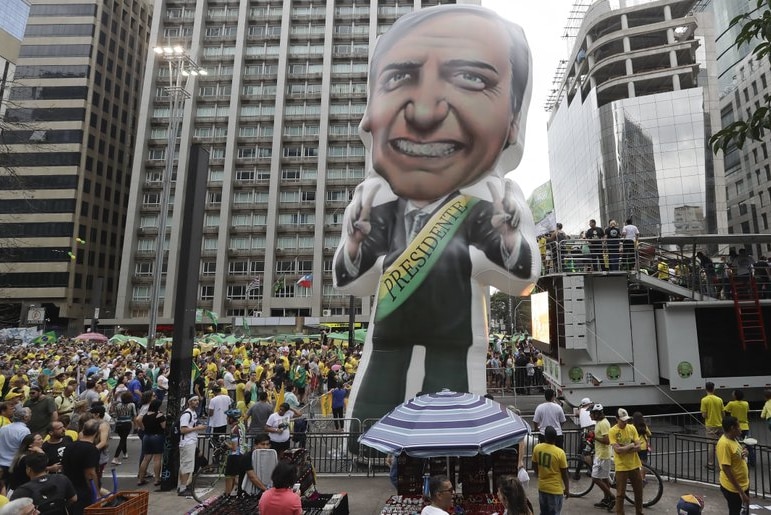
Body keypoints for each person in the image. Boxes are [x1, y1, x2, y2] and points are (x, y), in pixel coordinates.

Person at [332, 4, 540, 425]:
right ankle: (372, 451)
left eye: (470, 79)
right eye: (398, 77)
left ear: (514, 120)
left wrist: (510, 238)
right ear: (369, 115)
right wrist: (353, 244)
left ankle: (450, 462)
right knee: (374, 413)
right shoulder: (377, 207)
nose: (424, 113)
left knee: (453, 419)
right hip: (387, 338)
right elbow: (347, 279)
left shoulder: (488, 205)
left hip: (456, 338)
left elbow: (522, 274)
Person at [9, 452, 76, 513]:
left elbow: (11, 512)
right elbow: (74, 499)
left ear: (29, 469)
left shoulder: (22, 490)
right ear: (45, 467)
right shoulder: (61, 479)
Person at [61, 419, 100, 515]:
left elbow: (63, 466)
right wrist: (96, 492)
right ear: (97, 433)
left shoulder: (69, 446)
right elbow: (90, 474)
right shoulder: (91, 449)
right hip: (83, 490)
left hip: (69, 488)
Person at [609, 408, 642, 515]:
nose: (624, 422)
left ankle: (639, 512)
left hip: (634, 465)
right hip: (621, 467)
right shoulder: (612, 431)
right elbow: (617, 450)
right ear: (616, 419)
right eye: (622, 420)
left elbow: (639, 447)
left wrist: (625, 448)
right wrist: (631, 445)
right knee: (620, 494)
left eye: (626, 420)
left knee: (639, 492)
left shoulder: (632, 428)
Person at [531, 426, 568, 515]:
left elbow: (534, 464)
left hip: (542, 487)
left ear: (545, 436)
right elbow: (564, 473)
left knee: (543, 512)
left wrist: (538, 474)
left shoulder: (537, 448)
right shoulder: (560, 452)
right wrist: (567, 488)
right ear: (555, 437)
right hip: (555, 489)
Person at [717, 416, 749, 515]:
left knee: (744, 511)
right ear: (732, 428)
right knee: (736, 512)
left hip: (743, 485)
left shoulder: (733, 439)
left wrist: (745, 452)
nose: (741, 429)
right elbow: (726, 469)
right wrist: (741, 493)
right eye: (738, 426)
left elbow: (737, 454)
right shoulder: (724, 444)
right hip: (734, 489)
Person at [177, 396, 207, 497]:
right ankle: (182, 488)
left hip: (190, 442)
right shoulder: (187, 414)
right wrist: (197, 428)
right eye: (194, 400)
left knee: (188, 466)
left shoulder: (193, 413)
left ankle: (183, 486)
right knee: (186, 466)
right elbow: (183, 430)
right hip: (187, 443)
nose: (197, 402)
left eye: (197, 400)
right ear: (189, 402)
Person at [588, 404, 614, 511]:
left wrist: (595, 437)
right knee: (604, 479)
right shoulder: (599, 422)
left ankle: (612, 497)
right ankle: (606, 499)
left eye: (592, 413)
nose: (590, 415)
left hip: (603, 455)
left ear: (597, 413)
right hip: (601, 454)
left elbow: (607, 441)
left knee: (595, 478)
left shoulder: (603, 424)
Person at [0, 408, 31, 488]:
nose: (31, 415)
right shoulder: (24, 431)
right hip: (14, 466)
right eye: (30, 414)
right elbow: (25, 448)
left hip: (1, 464)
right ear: (25, 417)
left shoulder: (3, 428)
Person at [136, 399, 164, 487]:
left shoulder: (145, 416)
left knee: (146, 458)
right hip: (157, 437)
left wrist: (143, 428)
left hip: (146, 437)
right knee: (157, 458)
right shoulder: (159, 415)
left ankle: (140, 479)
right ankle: (157, 479)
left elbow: (139, 420)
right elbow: (164, 426)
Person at [239, 433, 277, 497]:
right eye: (262, 444)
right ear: (255, 445)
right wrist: (267, 490)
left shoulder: (271, 457)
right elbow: (252, 477)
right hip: (247, 493)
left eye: (267, 444)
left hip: (265, 492)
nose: (265, 447)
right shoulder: (247, 457)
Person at [700, 381, 724, 470]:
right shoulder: (719, 399)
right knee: (721, 444)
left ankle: (711, 464)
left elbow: (704, 415)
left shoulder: (704, 400)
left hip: (710, 425)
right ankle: (722, 463)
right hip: (720, 424)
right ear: (714, 389)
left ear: (705, 389)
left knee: (711, 445)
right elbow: (723, 413)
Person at [224, 409, 247, 496]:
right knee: (235, 476)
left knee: (229, 476)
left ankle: (227, 494)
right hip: (242, 453)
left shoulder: (234, 430)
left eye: (228, 417)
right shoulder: (241, 426)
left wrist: (226, 445)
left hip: (235, 455)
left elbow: (234, 447)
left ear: (232, 419)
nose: (226, 419)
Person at [109, 392, 135, 466]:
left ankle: (125, 453)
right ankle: (115, 457)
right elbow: (134, 415)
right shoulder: (131, 405)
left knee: (123, 438)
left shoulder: (118, 405)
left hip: (119, 424)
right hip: (127, 423)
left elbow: (115, 415)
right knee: (123, 439)